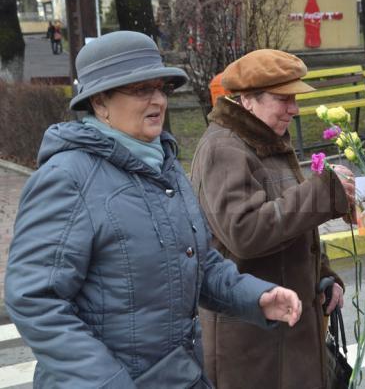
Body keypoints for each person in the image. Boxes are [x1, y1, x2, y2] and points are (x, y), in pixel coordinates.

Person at [4, 31, 303, 388]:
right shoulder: (67, 178)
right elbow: (36, 299)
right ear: (100, 102)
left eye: (161, 88)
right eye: (141, 90)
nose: (158, 100)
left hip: (182, 376)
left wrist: (256, 296)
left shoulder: (164, 166)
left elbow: (197, 261)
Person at [190, 49, 355, 389]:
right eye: (284, 99)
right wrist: (323, 193)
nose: (294, 109)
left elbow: (292, 223)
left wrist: (322, 274)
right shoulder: (224, 148)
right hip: (253, 347)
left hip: (288, 336)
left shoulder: (264, 140)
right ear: (248, 100)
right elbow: (245, 231)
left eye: (294, 98)